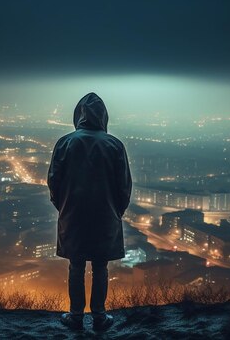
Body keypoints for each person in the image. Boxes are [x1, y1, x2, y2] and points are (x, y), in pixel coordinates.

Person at [47, 92, 132, 331]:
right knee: (100, 266)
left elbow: (54, 182)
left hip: (72, 215)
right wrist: (116, 211)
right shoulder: (115, 145)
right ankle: (99, 316)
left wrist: (63, 207)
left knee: (76, 265)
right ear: (104, 116)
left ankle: (75, 316)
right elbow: (124, 187)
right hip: (105, 215)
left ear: (79, 115)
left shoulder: (65, 143)